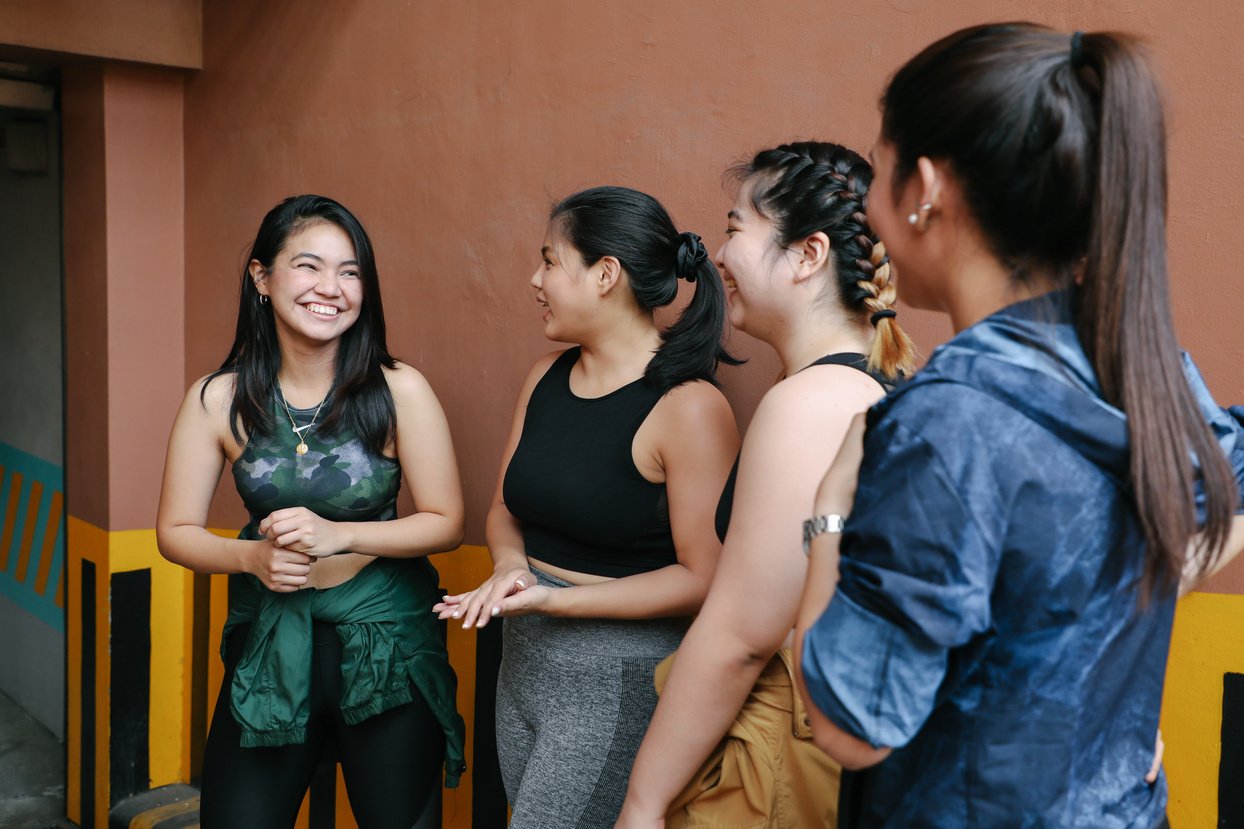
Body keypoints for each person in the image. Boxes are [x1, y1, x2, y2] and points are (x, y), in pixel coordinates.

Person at [792, 24, 1244, 828]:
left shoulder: (948, 423)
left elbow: (847, 724)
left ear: (926, 186)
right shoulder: (1149, 367)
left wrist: (829, 508)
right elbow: (1223, 492)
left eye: (881, 160)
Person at [615, 142, 914, 829]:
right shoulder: (868, 382)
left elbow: (744, 635)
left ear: (807, 255)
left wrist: (644, 801)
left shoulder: (810, 402)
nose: (718, 257)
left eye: (734, 230)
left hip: (781, 755)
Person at [156, 195, 467, 829]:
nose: (332, 288)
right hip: (269, 645)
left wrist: (338, 534)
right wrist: (251, 557)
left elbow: (446, 521)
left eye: (350, 272)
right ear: (262, 278)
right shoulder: (219, 398)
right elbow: (174, 531)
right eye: (309, 266)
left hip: (386, 645)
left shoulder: (398, 388)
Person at [434, 186, 740, 828]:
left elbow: (706, 578)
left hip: (614, 676)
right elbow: (503, 510)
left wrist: (553, 599)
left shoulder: (688, 406)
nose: (534, 279)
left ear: (606, 274)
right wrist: (512, 567)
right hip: (523, 657)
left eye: (549, 260)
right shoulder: (546, 375)